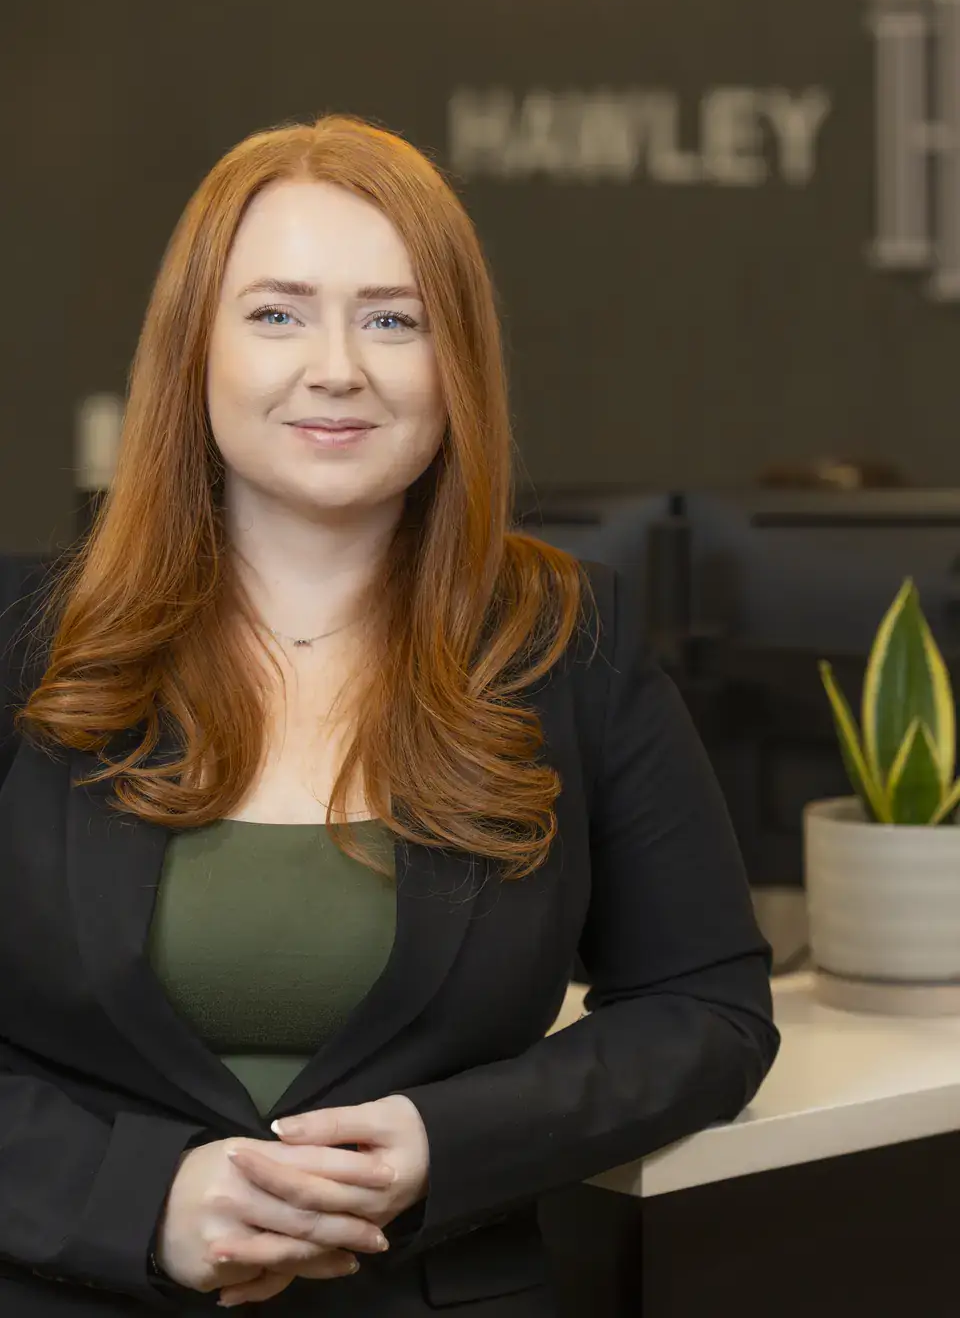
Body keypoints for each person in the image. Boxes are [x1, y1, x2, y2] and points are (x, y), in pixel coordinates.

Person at [0, 114, 779, 1316]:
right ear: (191, 348)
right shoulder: (24, 643)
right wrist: (134, 1199)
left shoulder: (569, 642)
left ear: (454, 360)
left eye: (393, 318)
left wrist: (439, 1144)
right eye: (276, 312)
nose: (337, 367)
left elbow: (707, 1011)